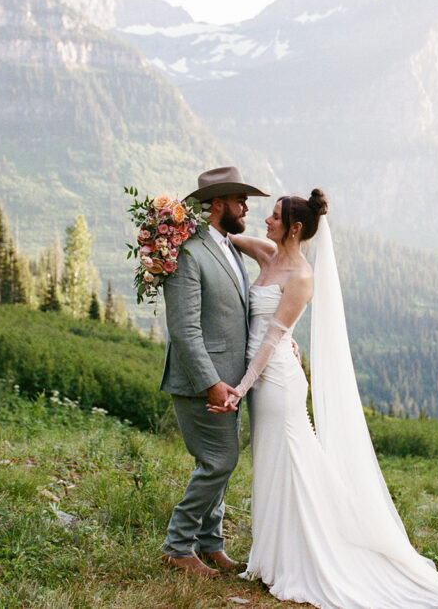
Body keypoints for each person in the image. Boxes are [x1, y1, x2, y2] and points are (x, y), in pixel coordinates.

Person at [209, 191, 438, 609]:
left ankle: (307, 555)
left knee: (291, 462)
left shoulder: (301, 277)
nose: (266, 220)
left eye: (275, 217)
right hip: (263, 379)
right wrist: (180, 225)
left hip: (276, 381)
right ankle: (275, 554)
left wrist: (241, 387)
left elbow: (274, 337)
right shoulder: (266, 253)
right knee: (275, 463)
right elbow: (221, 239)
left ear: (295, 228)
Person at [159, 166, 269, 578]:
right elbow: (184, 330)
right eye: (240, 200)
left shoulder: (228, 246)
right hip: (201, 382)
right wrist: (211, 384)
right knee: (219, 462)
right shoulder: (188, 253)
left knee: (219, 461)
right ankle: (177, 546)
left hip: (231, 381)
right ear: (219, 203)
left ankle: (210, 544)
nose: (245, 208)